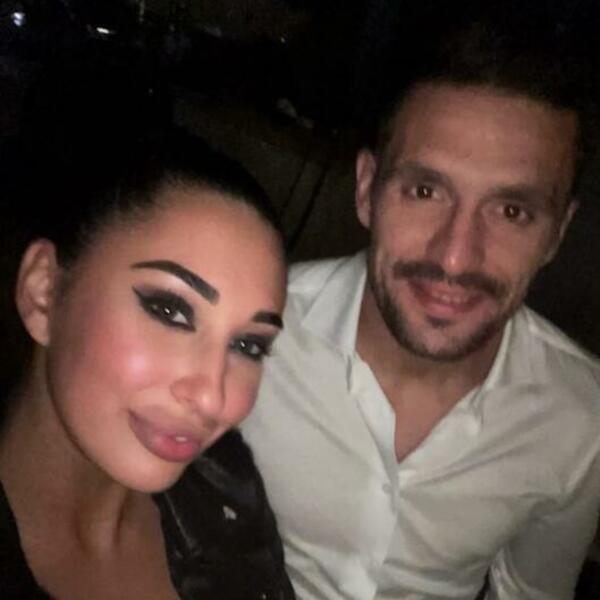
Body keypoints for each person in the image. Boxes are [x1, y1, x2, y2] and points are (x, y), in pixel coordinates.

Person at [241, 11, 600, 600]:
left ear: (557, 234)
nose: (456, 257)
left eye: (511, 211)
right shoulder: (247, 332)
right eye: (425, 191)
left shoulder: (582, 420)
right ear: (367, 189)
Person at [0, 127, 295, 599]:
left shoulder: (223, 488)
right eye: (170, 311)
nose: (211, 397)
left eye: (248, 346)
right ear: (44, 292)